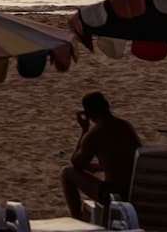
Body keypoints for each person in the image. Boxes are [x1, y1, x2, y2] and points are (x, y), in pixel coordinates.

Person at [60, 91, 142, 219]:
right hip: (136, 190)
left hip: (114, 193)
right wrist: (100, 166)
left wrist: (84, 130)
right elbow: (125, 158)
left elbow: (76, 163)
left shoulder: (95, 134)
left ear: (88, 113)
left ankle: (77, 219)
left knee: (67, 173)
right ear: (107, 106)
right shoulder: (126, 126)